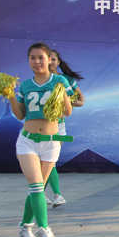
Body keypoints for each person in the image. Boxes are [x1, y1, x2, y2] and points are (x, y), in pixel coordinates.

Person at [8, 42, 73, 237]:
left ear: (49, 60)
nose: (37, 62)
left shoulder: (60, 81)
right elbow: (20, 115)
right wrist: (10, 95)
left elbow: (68, 111)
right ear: (28, 60)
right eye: (33, 58)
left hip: (51, 142)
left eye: (41, 58)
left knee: (37, 188)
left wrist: (61, 95)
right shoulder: (26, 85)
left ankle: (24, 227)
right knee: (36, 185)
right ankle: (45, 231)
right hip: (27, 140)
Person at [44, 49, 85, 208]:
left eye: (53, 59)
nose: (51, 62)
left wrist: (71, 102)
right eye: (48, 59)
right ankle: (51, 195)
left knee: (50, 160)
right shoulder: (39, 80)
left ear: (58, 62)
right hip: (40, 126)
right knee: (46, 161)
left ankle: (49, 194)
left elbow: (80, 99)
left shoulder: (65, 79)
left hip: (58, 125)